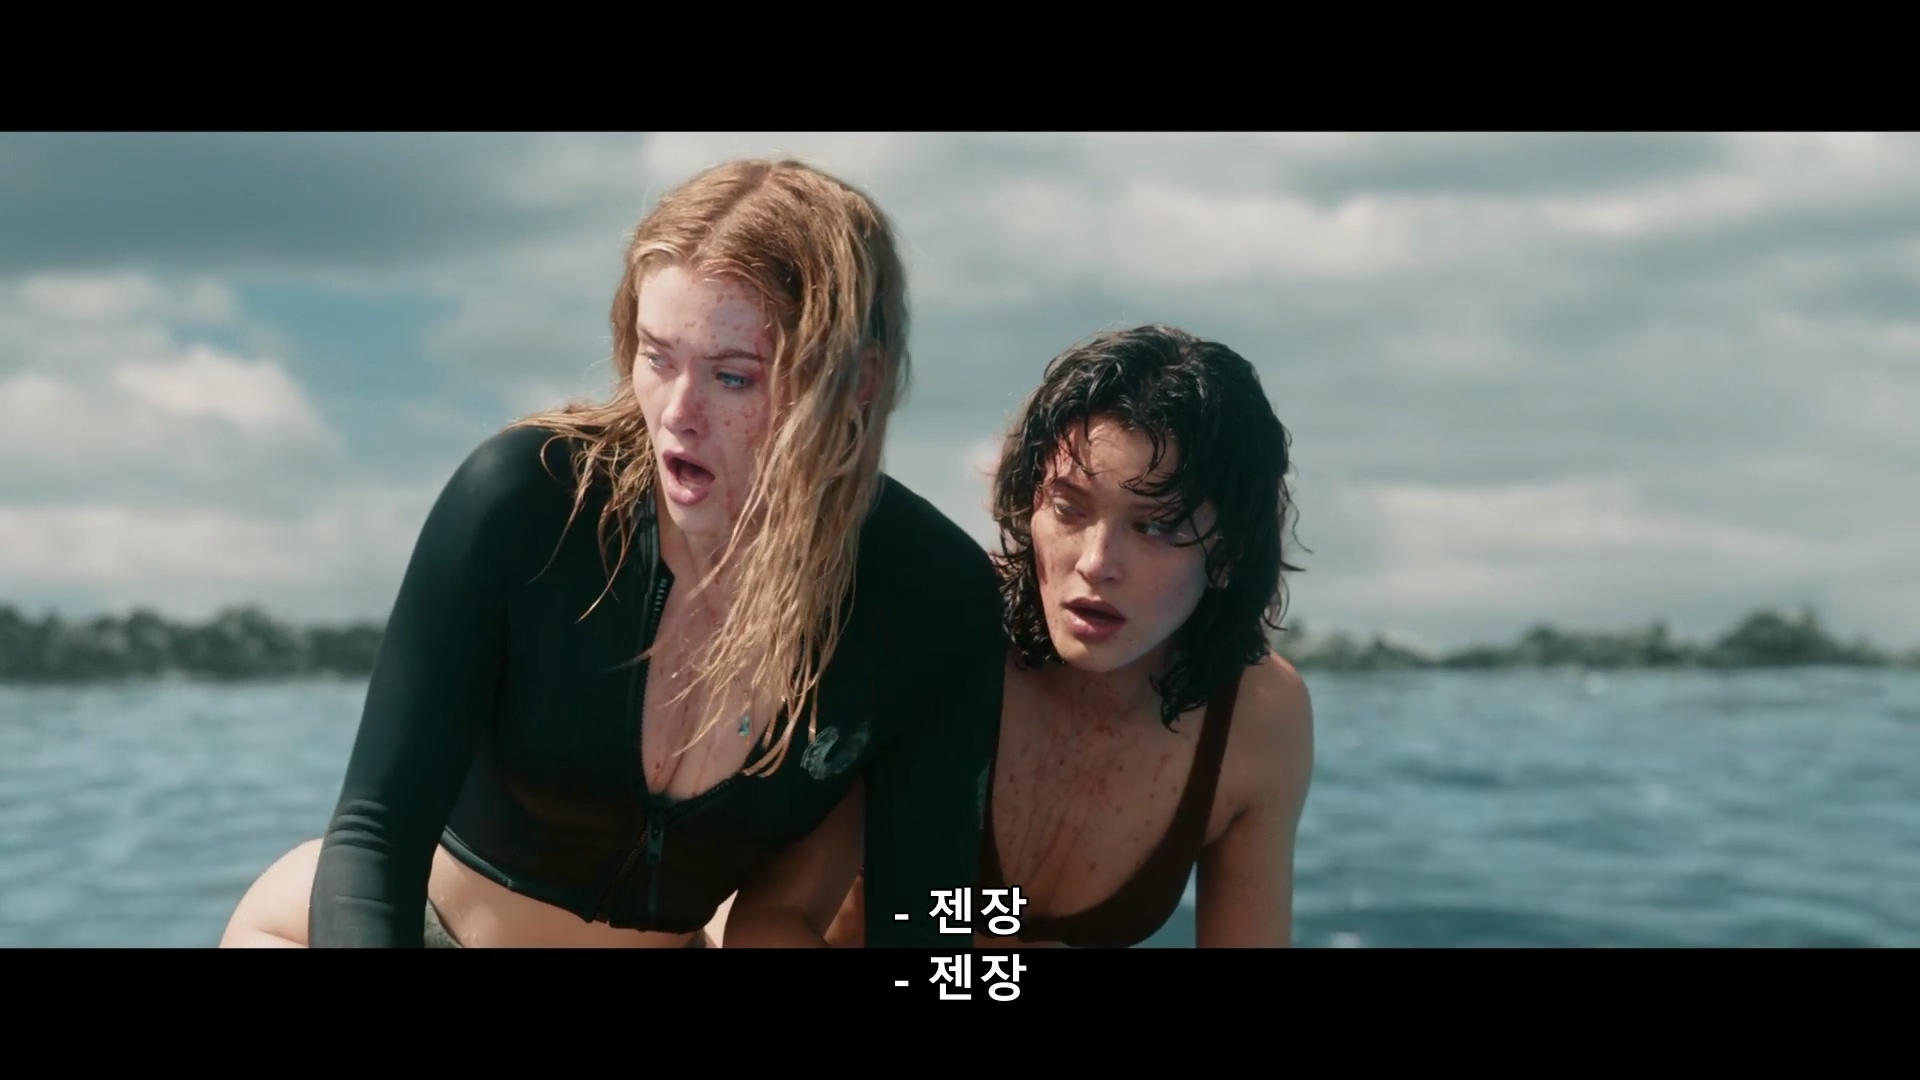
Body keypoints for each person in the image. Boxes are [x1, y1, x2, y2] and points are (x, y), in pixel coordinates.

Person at [219, 158, 1003, 948]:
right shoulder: (527, 500)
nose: (679, 413)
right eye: (658, 357)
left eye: (733, 377)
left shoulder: (933, 599)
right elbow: (374, 834)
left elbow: (931, 920)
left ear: (858, 381)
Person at [815, 324, 1315, 949]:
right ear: (1030, 505)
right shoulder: (935, 635)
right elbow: (761, 915)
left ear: (1229, 552)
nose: (1096, 563)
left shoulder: (1257, 718)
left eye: (1155, 527)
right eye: (1069, 508)